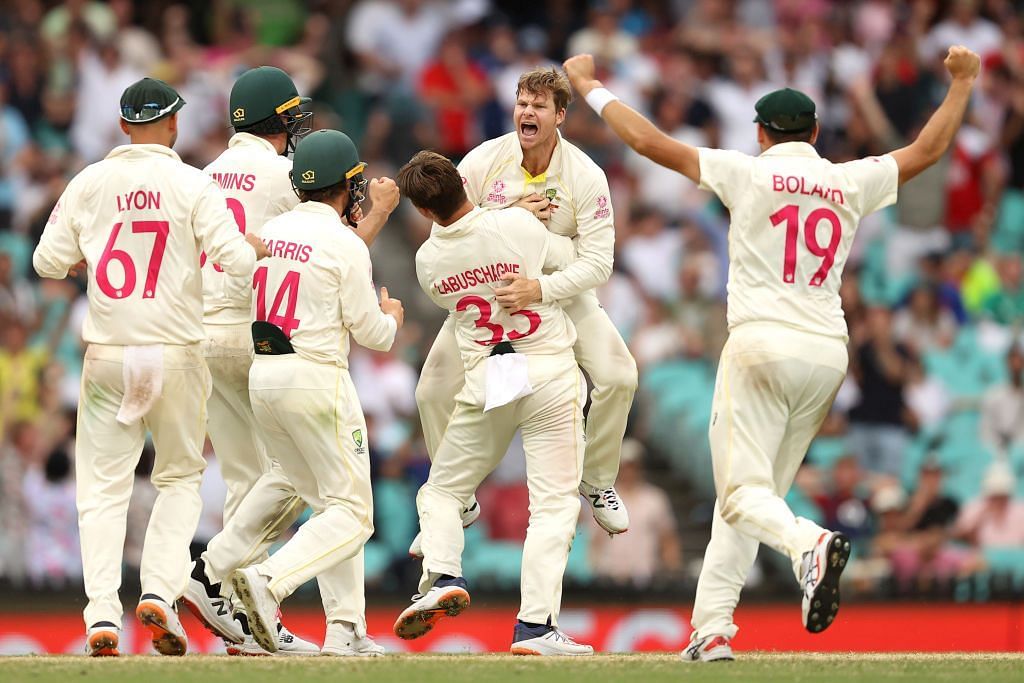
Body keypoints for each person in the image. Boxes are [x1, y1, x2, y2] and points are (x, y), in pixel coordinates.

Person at [562, 44, 981, 661]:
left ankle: (808, 542)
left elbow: (651, 144)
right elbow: (928, 150)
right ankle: (711, 630)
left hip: (761, 345)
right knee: (754, 498)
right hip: (827, 357)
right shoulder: (846, 179)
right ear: (814, 132)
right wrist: (964, 83)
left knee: (740, 495)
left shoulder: (748, 171)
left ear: (760, 133)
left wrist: (591, 86)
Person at [32, 77, 266, 657]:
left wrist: (91, 261)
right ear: (173, 124)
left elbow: (45, 261)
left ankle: (100, 618)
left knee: (103, 491)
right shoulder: (192, 183)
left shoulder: (89, 181)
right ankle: (159, 592)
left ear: (121, 126)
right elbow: (236, 263)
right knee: (181, 478)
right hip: (176, 353)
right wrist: (255, 248)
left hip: (109, 354)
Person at [182, 66, 396, 657]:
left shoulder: (204, 176)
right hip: (278, 347)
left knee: (269, 480)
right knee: (340, 501)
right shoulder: (284, 178)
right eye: (294, 117)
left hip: (210, 340)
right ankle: (310, 611)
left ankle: (210, 578)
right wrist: (376, 216)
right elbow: (332, 263)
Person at [412, 67, 636, 553]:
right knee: (431, 389)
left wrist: (542, 289)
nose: (526, 112)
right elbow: (446, 230)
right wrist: (507, 218)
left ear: (560, 115)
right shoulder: (482, 161)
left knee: (620, 376)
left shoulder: (586, 176)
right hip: (489, 292)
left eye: (538, 105)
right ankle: (460, 496)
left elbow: (599, 264)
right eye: (521, 102)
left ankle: (596, 481)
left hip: (556, 288)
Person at [393, 150, 592, 656]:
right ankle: (535, 627)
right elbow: (567, 261)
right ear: (464, 181)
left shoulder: (427, 263)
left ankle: (442, 574)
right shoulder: (517, 226)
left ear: (422, 212)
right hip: (548, 369)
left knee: (441, 492)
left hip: (490, 381)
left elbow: (455, 273)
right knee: (553, 504)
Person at [227, 129, 403, 656]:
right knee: (354, 514)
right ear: (349, 186)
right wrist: (392, 317)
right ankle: (268, 582)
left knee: (331, 506)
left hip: (265, 375)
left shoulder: (270, 229)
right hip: (315, 377)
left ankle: (345, 629)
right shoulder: (345, 243)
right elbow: (373, 334)